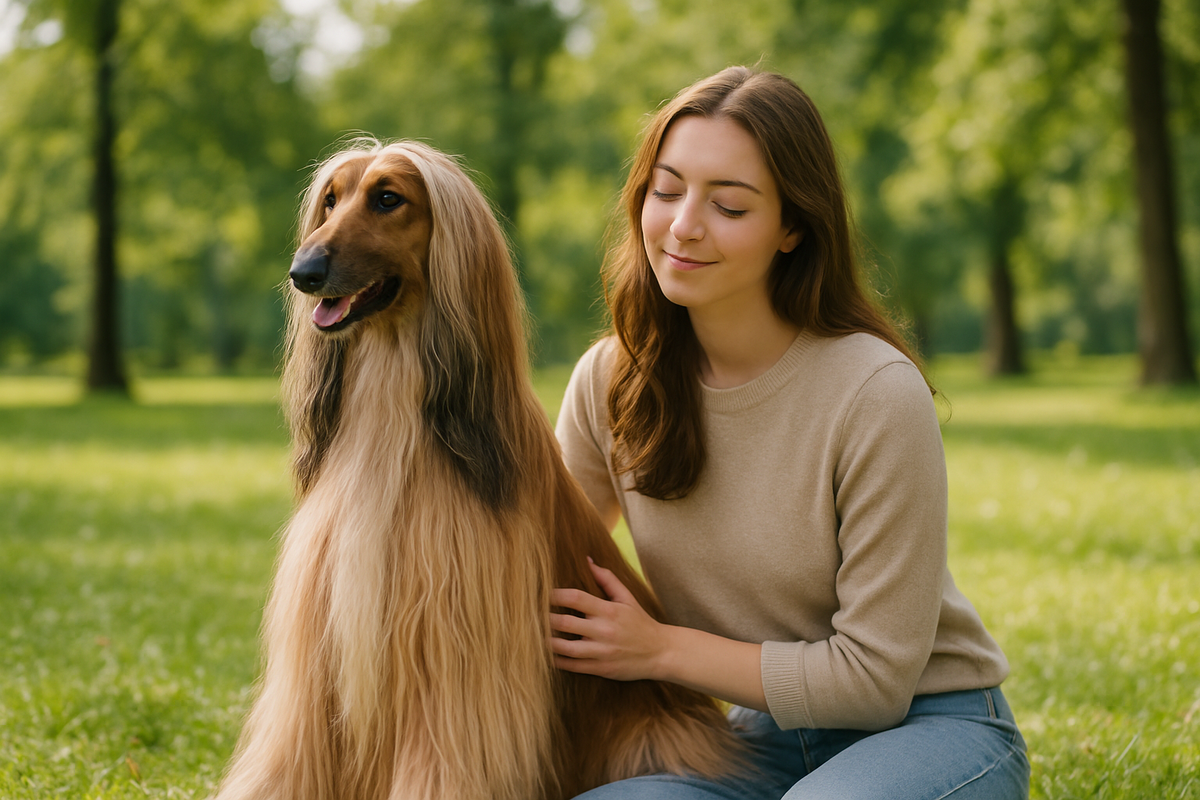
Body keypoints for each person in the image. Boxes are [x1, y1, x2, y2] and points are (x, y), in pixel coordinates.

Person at [548, 66, 1030, 799]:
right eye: (667, 191)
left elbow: (873, 682)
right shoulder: (610, 379)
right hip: (761, 740)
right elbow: (542, 560)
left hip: (931, 725)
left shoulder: (874, 391)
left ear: (793, 229)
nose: (683, 226)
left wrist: (659, 650)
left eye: (729, 205)